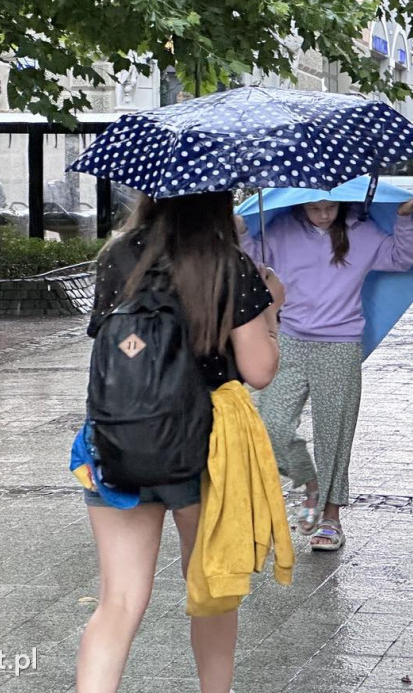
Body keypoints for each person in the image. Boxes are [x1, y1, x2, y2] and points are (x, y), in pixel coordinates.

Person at [78, 193, 283, 693]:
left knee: (119, 601)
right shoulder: (227, 264)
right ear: (218, 198)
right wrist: (270, 306)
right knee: (212, 591)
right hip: (202, 449)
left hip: (116, 439)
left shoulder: (117, 255)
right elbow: (259, 371)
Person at [239, 197, 413, 551]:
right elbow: (252, 263)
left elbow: (401, 258)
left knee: (334, 435)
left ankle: (331, 517)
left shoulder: (362, 232)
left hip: (340, 344)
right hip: (289, 339)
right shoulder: (282, 230)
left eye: (330, 208)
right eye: (314, 208)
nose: (323, 215)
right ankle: (310, 483)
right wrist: (242, 233)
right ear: (299, 203)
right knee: (268, 423)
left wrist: (403, 220)